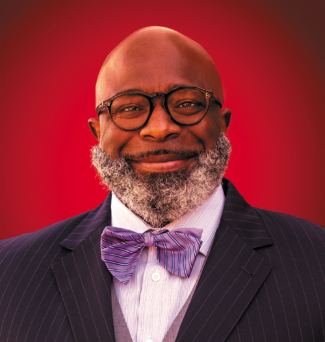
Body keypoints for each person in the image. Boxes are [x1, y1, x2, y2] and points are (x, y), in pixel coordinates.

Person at [0, 26, 324, 342]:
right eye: (129, 108)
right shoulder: (9, 272)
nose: (159, 128)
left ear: (222, 124)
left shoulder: (316, 261)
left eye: (186, 103)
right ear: (97, 134)